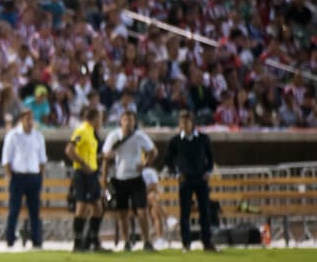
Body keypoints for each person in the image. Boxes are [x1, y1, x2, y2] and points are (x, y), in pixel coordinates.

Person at [101, 109, 157, 251]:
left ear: (134, 122)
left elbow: (153, 151)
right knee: (122, 213)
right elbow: (105, 157)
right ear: (121, 122)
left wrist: (145, 164)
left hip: (136, 178)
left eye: (131, 120)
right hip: (119, 179)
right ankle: (126, 241)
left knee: (142, 211)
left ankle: (147, 241)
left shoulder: (139, 136)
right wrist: (104, 177)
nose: (128, 123)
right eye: (125, 120)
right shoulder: (114, 135)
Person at [164, 109, 218, 252]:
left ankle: (207, 242)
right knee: (185, 213)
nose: (184, 125)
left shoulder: (203, 139)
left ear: (192, 123)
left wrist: (208, 172)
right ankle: (186, 243)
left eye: (187, 122)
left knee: (205, 211)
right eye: (182, 122)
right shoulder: (175, 141)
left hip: (201, 178)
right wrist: (176, 174)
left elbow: (211, 158)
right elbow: (169, 161)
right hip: (185, 180)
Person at [1, 107, 47, 248]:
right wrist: (11, 176)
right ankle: (10, 239)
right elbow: (7, 159)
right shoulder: (13, 135)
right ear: (21, 120)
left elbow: (42, 159)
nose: (30, 122)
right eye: (27, 119)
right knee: (14, 210)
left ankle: (36, 240)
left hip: (33, 176)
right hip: (18, 176)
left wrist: (40, 176)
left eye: (31, 118)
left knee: (35, 211)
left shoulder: (38, 136)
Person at [66, 107, 104, 252]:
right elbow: (69, 149)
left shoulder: (92, 133)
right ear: (94, 118)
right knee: (81, 207)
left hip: (92, 174)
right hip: (83, 174)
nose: (101, 121)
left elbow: (88, 153)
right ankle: (77, 243)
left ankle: (92, 241)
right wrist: (83, 164)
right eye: (100, 118)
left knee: (98, 208)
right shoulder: (82, 130)